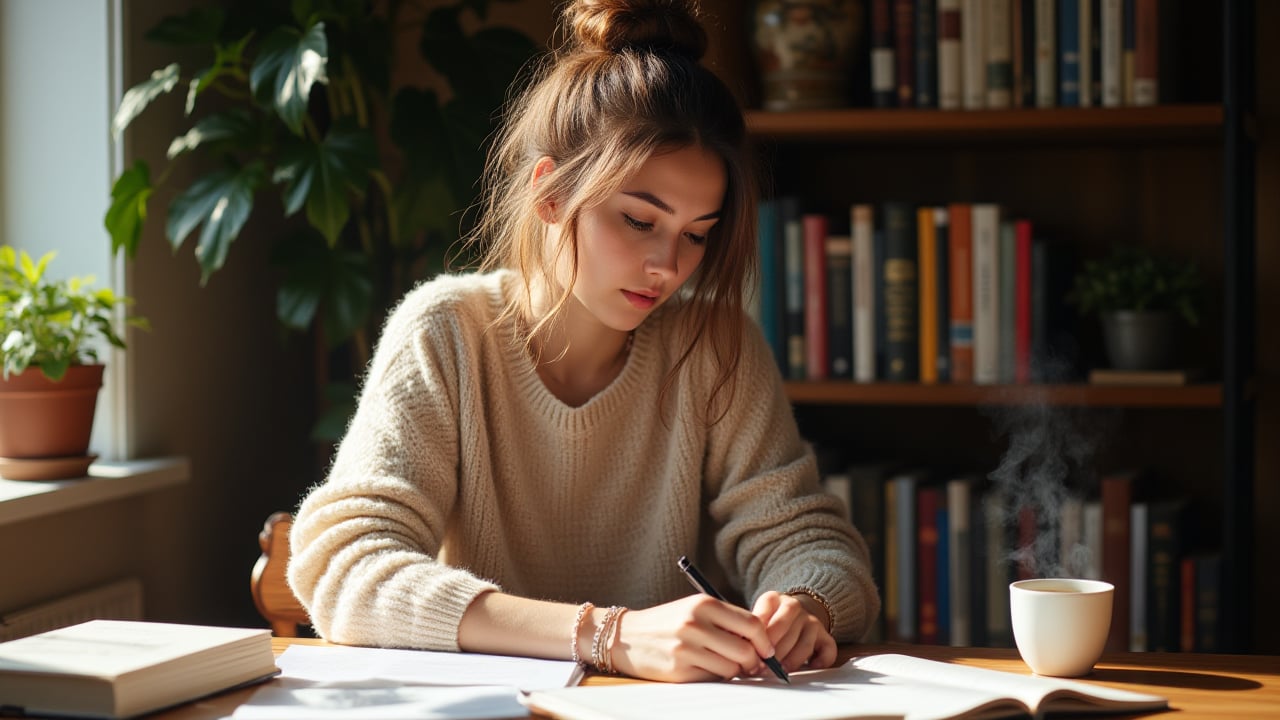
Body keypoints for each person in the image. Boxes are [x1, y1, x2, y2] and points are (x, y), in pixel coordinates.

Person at [287, 0, 879, 683]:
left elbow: (811, 542)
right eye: (637, 219)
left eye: (696, 233)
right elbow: (346, 567)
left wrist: (803, 605)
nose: (668, 266)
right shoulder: (446, 331)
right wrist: (605, 636)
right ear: (550, 194)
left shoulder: (718, 346)